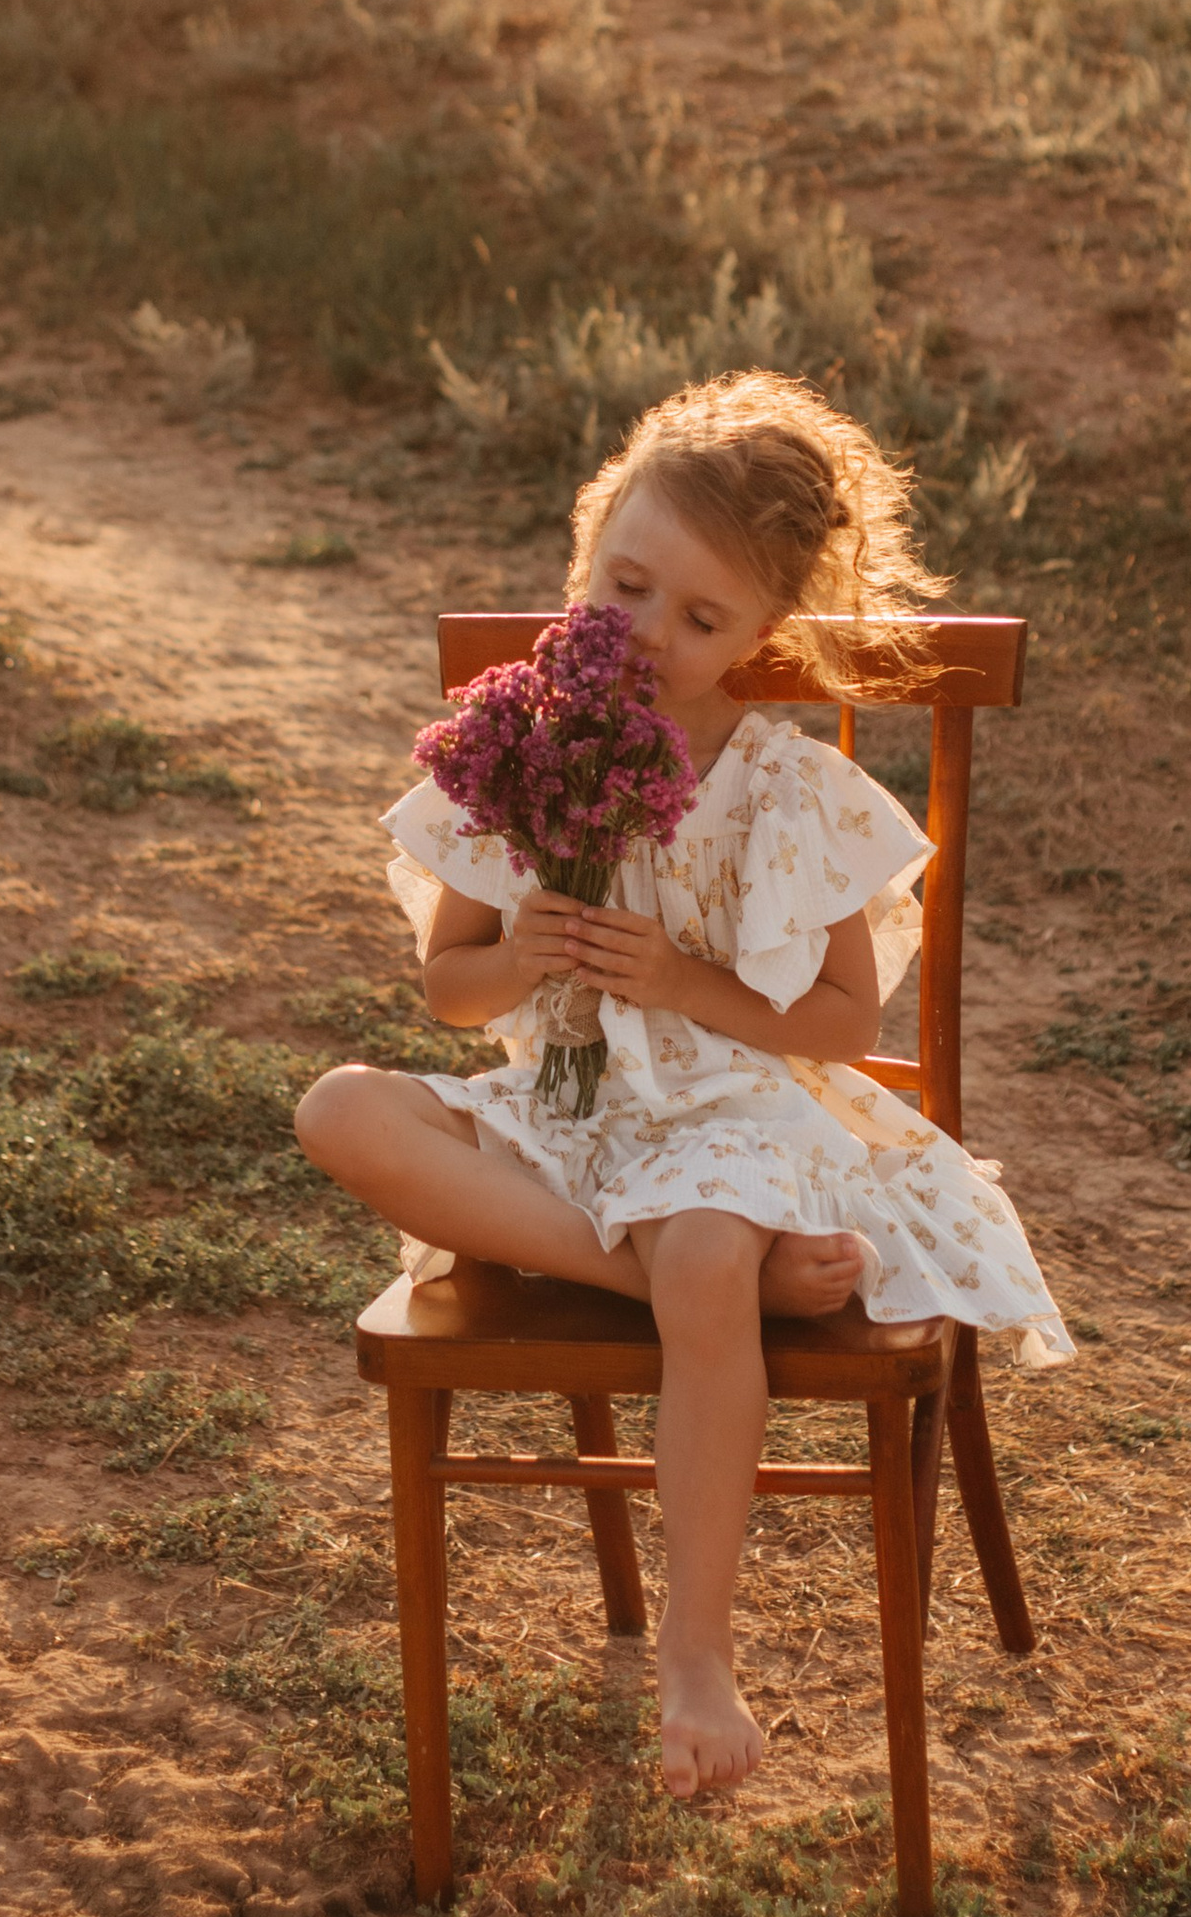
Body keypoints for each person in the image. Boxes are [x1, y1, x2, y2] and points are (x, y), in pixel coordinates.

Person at [292, 369, 1074, 1804]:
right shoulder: (516, 752)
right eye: (628, 584)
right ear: (586, 549)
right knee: (339, 1107)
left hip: (731, 1119)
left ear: (764, 635)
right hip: (572, 1126)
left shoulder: (780, 787)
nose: (650, 635)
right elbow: (447, 988)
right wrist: (519, 954)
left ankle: (697, 1653)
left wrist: (680, 982)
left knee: (708, 1241)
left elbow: (837, 1015)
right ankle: (660, 1273)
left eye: (701, 618)